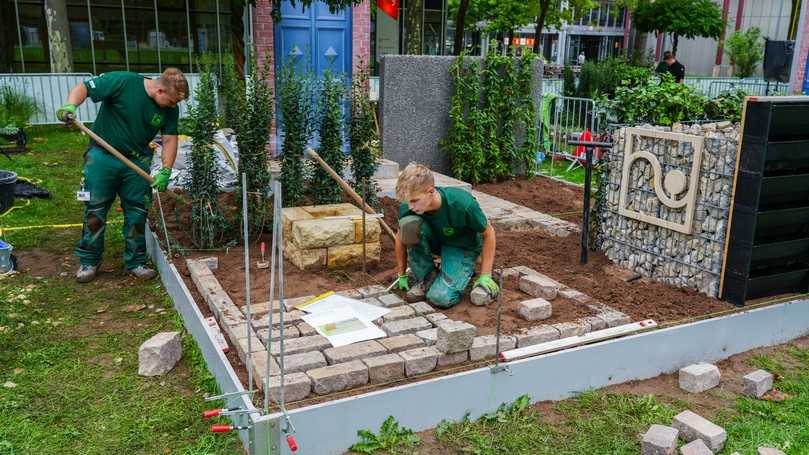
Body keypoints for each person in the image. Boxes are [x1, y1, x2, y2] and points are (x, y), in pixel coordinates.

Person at [56, 68, 188, 283]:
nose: (173, 107)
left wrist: (166, 169)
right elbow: (84, 88)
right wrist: (70, 105)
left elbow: (170, 139)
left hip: (137, 161)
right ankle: (89, 260)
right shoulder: (123, 82)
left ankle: (135, 263)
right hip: (102, 156)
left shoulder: (169, 110)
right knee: (95, 209)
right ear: (160, 89)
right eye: (172, 101)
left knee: (137, 211)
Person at [394, 163, 499, 308]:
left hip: (461, 245)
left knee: (439, 298)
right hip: (438, 242)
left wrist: (486, 275)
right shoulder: (409, 207)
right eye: (407, 201)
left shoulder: (461, 204)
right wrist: (402, 274)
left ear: (430, 191)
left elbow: (489, 233)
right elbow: (401, 236)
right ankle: (426, 277)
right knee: (408, 224)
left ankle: (464, 272)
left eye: (414, 201)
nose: (410, 206)